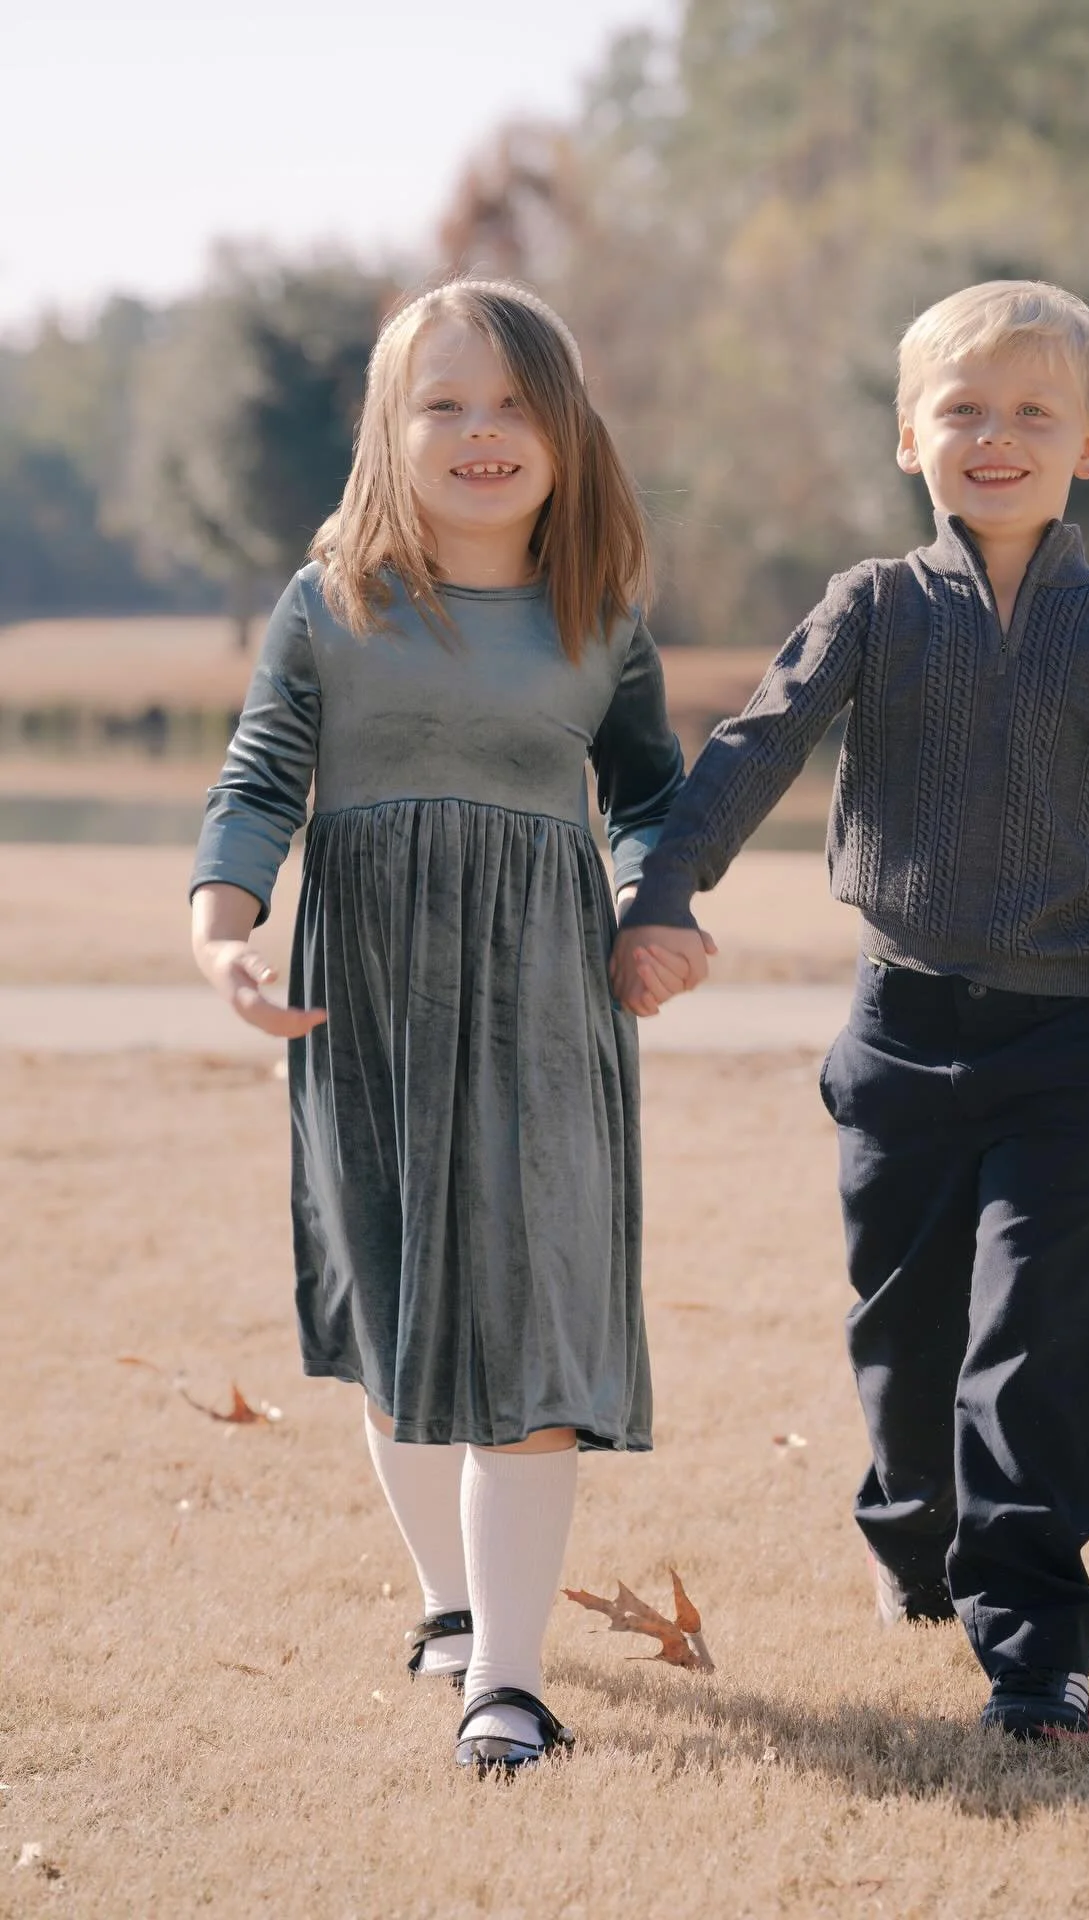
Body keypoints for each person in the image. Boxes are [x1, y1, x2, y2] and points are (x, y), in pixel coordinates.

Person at [610, 280, 1089, 1740]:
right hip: (895, 1037)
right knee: (904, 1336)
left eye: (1032, 412)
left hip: (1073, 1050)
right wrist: (663, 889)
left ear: (1088, 443)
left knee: (1035, 1348)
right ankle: (913, 1546)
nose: (994, 437)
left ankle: (1034, 1653)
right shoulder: (873, 610)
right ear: (910, 437)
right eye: (963, 410)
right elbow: (754, 749)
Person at [190, 278, 691, 1773]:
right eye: (445, 404)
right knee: (401, 1321)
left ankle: (511, 1687)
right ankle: (449, 1608)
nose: (484, 432)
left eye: (517, 404)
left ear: (567, 429)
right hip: (370, 1008)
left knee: (528, 1328)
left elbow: (654, 794)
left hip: (546, 1011)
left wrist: (652, 907)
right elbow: (260, 779)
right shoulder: (331, 600)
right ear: (389, 432)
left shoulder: (600, 615)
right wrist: (223, 928)